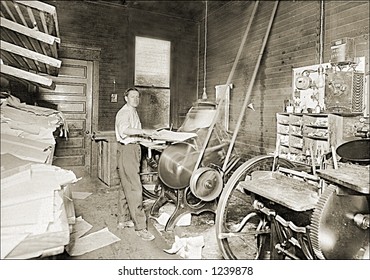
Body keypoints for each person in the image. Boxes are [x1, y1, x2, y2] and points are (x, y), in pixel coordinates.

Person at [115, 87, 156, 241]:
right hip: (128, 151)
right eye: (132, 97)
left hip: (131, 149)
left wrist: (146, 139)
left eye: (137, 97)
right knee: (134, 188)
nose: (135, 99)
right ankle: (141, 228)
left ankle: (123, 219)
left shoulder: (132, 111)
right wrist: (145, 132)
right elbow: (125, 130)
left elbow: (135, 133)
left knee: (125, 185)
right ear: (126, 98)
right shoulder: (125, 112)